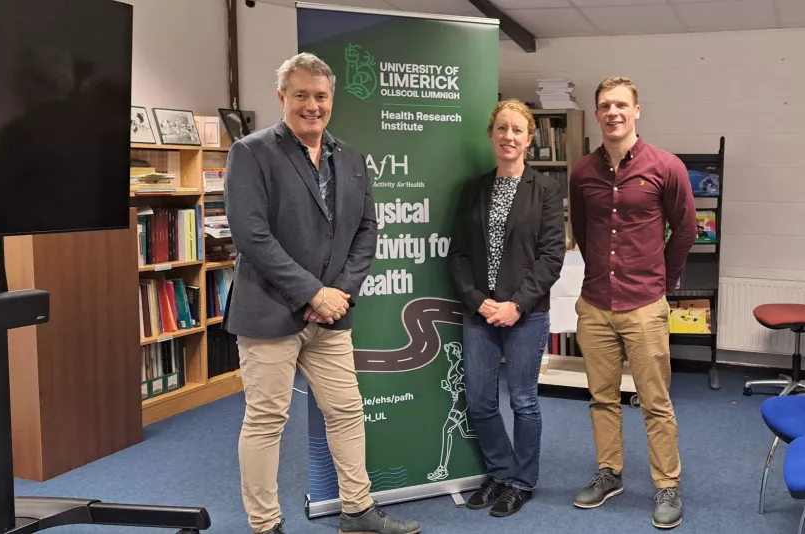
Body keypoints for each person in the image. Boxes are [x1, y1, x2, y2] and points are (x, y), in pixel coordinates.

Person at [222, 52, 421, 534]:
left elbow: (367, 230)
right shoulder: (251, 153)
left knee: (347, 411)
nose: (312, 105)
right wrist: (314, 293)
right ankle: (265, 525)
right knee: (267, 421)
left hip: (332, 316)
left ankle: (357, 510)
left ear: (332, 99)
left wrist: (340, 294)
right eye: (301, 95)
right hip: (270, 311)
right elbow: (252, 237)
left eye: (321, 96)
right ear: (282, 98)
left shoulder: (349, 157)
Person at [568, 77, 696, 529]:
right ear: (598, 113)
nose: (613, 113)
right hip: (595, 304)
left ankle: (667, 483)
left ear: (636, 111)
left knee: (654, 400)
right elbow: (582, 230)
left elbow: (685, 230)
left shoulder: (667, 166)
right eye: (605, 106)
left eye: (621, 105)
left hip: (645, 304)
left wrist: (664, 278)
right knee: (601, 398)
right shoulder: (582, 171)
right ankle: (609, 473)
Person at [448, 98, 566, 518]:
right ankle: (500, 471)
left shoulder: (547, 190)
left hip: (526, 313)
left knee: (523, 401)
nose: (509, 136)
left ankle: (521, 481)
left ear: (530, 139)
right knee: (479, 401)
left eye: (517, 130)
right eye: (502, 128)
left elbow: (552, 256)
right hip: (480, 311)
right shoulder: (475, 189)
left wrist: (516, 305)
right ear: (491, 135)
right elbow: (458, 254)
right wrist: (479, 302)